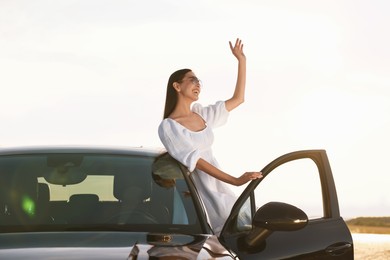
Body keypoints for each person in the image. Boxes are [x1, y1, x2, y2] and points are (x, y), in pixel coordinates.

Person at [158, 38, 263, 234]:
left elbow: (238, 99)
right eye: (192, 79)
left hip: (222, 190)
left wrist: (242, 61)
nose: (198, 83)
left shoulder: (201, 114)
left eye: (199, 81)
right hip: (201, 197)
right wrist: (235, 180)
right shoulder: (169, 127)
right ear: (177, 86)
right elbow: (196, 160)